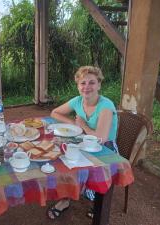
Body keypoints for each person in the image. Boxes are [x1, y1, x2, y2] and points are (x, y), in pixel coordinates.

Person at [47, 66, 118, 220]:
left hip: (105, 149)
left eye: (91, 82)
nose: (87, 87)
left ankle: (97, 202)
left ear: (99, 85)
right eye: (82, 83)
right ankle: (66, 199)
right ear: (78, 86)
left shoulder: (106, 106)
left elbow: (100, 138)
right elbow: (55, 112)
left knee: (83, 169)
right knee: (64, 160)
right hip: (83, 141)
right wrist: (73, 122)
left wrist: (83, 126)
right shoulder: (78, 100)